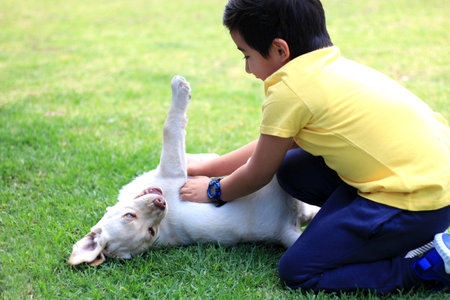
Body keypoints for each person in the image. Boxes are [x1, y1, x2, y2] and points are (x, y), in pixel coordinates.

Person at [179, 0, 450, 293]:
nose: (247, 68)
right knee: (292, 169)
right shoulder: (328, 67)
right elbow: (275, 147)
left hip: (415, 203)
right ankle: (363, 232)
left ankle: (423, 267)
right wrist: (207, 167)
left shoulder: (289, 90)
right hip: (429, 182)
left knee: (297, 271)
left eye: (247, 56)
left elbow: (257, 173)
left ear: (280, 50)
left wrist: (213, 190)